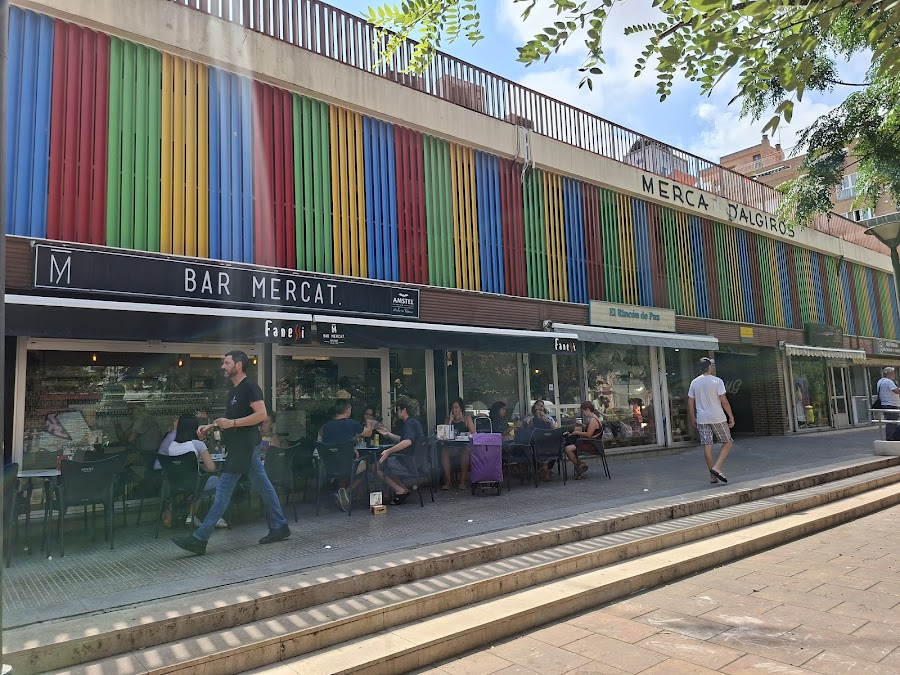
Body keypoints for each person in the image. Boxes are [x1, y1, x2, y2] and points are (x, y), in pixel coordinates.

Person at [172, 350, 290, 555]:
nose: (223, 366)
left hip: (244, 446)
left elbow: (261, 415)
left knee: (223, 491)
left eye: (226, 363)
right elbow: (228, 420)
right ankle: (280, 526)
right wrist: (211, 427)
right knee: (264, 485)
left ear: (239, 365)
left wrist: (232, 423)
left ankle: (200, 538)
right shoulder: (234, 392)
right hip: (241, 446)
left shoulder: (250, 387)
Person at [158, 414, 227, 529]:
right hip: (194, 484)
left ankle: (191, 515)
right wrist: (199, 466)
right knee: (220, 481)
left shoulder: (169, 445)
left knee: (200, 485)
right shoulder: (198, 444)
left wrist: (196, 465)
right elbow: (211, 468)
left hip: (174, 485)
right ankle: (214, 516)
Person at [688, 357, 735, 484]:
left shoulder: (694, 382)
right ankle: (717, 467)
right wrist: (731, 416)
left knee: (707, 444)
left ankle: (713, 476)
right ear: (709, 367)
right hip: (717, 417)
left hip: (702, 418)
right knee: (728, 441)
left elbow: (690, 402)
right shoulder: (717, 381)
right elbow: (724, 401)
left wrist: (693, 417)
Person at [320, 400, 373, 512]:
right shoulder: (351, 423)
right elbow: (368, 433)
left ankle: (342, 492)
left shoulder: (325, 427)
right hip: (348, 466)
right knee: (367, 466)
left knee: (343, 472)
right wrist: (368, 421)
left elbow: (334, 443)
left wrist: (351, 446)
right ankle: (346, 492)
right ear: (348, 410)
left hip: (330, 467)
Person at [375, 399, 424, 505]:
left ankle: (399, 490)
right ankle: (403, 490)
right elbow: (404, 439)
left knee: (377, 467)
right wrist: (389, 434)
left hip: (407, 462)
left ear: (404, 410)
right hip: (416, 462)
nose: (397, 412)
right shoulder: (415, 422)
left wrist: (389, 451)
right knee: (386, 463)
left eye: (398, 409)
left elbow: (407, 442)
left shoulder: (408, 424)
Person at [441, 398, 475, 490]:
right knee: (444, 452)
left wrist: (468, 432)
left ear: (461, 408)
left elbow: (474, 433)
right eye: (452, 408)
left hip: (463, 446)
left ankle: (462, 481)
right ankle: (448, 481)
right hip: (452, 446)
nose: (454, 410)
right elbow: (444, 435)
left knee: (465, 452)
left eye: (456, 407)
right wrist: (450, 422)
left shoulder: (466, 418)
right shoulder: (447, 419)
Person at [564, 401, 602, 479]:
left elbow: (588, 434)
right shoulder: (594, 418)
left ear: (587, 410)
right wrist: (582, 425)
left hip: (591, 445)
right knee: (570, 448)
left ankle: (580, 465)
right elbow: (591, 430)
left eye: (583, 411)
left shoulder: (593, 420)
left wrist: (577, 432)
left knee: (567, 449)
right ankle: (580, 466)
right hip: (592, 443)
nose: (583, 413)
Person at [876, 367, 900, 439]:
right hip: (891, 404)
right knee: (892, 422)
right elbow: (896, 391)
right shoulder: (889, 382)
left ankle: (891, 436)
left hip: (885, 404)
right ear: (889, 373)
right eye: (893, 373)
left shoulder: (880, 381)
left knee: (890, 421)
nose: (894, 374)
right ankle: (891, 437)